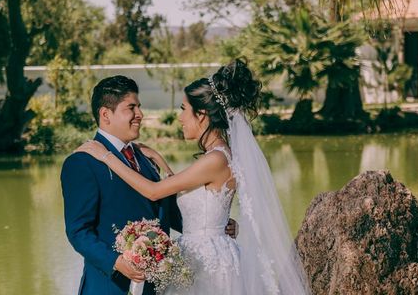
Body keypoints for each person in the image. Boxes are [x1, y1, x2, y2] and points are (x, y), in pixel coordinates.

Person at [76, 60, 310, 294]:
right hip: (200, 256)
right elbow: (191, 197)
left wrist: (107, 156)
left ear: (202, 115)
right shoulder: (217, 156)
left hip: (207, 263)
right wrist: (159, 159)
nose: (180, 118)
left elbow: (154, 192)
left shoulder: (215, 159)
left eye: (183, 109)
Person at [61, 75, 236, 295]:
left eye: (139, 107)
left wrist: (216, 226)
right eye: (131, 108)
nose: (140, 115)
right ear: (105, 115)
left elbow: (170, 213)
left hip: (157, 287)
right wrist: (116, 262)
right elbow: (78, 232)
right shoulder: (82, 162)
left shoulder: (146, 157)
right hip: (110, 286)